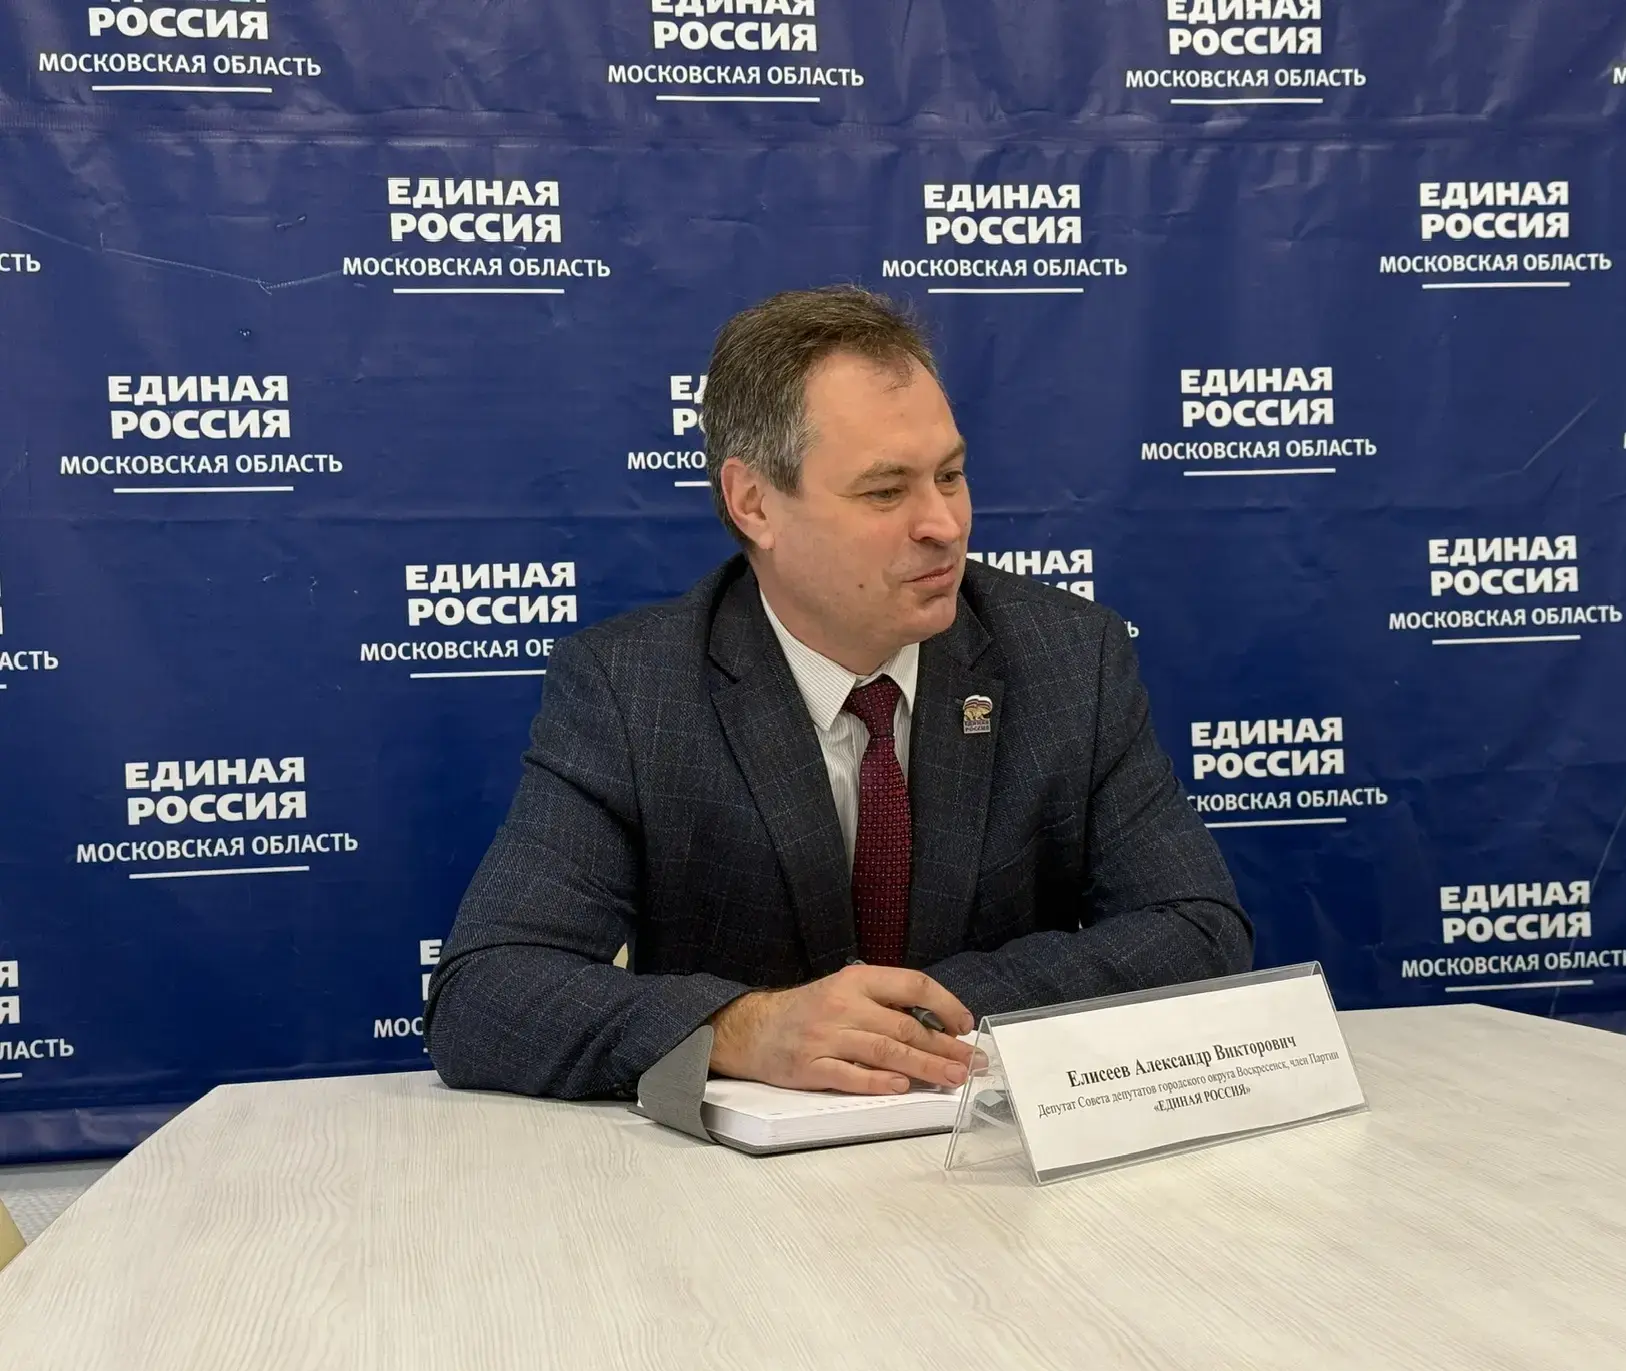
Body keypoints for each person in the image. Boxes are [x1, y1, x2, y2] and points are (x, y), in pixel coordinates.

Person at [425, 285, 1252, 1101]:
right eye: (886, 491)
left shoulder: (1069, 657)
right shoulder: (633, 690)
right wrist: (742, 1028)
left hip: (987, 1150)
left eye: (951, 475)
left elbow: (1197, 929)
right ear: (754, 503)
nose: (943, 524)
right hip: (736, 1177)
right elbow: (483, 993)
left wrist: (917, 1018)